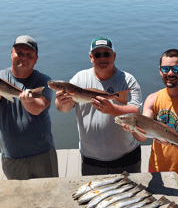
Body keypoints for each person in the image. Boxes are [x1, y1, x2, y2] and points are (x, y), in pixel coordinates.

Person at [122, 49, 178, 208]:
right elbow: (142, 136)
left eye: (176, 69)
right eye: (165, 69)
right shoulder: (152, 99)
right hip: (156, 168)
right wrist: (132, 128)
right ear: (160, 70)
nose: (170, 73)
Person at [55, 37, 142, 176]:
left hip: (126, 157)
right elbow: (63, 109)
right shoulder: (79, 79)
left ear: (114, 56)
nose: (102, 58)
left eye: (106, 54)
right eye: (97, 54)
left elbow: (136, 113)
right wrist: (61, 102)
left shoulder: (128, 80)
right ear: (91, 57)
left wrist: (112, 110)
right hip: (91, 159)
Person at [0, 35, 59, 179]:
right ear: (11, 53)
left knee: (49, 195)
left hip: (43, 153)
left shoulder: (43, 80)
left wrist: (27, 100)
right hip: (13, 155)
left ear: (36, 58)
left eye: (29, 55)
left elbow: (39, 108)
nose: (23, 58)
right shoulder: (2, 77)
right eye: (19, 53)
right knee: (19, 198)